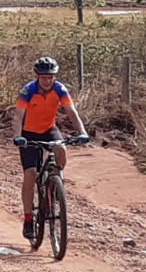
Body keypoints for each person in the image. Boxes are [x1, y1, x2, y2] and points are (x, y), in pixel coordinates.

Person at [12, 56, 90, 239]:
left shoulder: (60, 89)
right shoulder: (28, 91)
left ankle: (56, 183)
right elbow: (18, 115)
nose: (47, 81)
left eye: (50, 77)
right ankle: (29, 219)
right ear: (37, 77)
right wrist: (17, 136)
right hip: (28, 134)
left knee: (61, 149)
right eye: (43, 77)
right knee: (30, 173)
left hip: (49, 129)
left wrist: (82, 132)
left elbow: (71, 112)